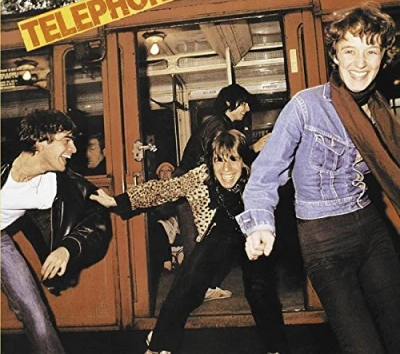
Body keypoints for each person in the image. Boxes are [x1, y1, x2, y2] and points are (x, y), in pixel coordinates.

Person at [236, 2, 400, 354]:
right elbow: (264, 174)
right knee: (364, 346)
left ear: (382, 57)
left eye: (371, 51)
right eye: (350, 50)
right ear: (335, 56)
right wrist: (260, 225)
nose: (360, 62)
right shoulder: (306, 106)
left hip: (371, 229)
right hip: (324, 242)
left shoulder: (380, 110)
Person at [91, 129, 288, 354]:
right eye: (219, 160)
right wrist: (117, 201)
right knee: (187, 283)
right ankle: (159, 346)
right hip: (219, 231)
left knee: (259, 288)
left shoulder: (258, 175)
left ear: (243, 161)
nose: (226, 169)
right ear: (211, 162)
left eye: (233, 159)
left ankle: (276, 349)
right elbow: (162, 190)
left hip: (253, 231)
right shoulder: (200, 177)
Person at [1, 109, 112, 354]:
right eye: (66, 140)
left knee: (35, 314)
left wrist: (67, 248)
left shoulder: (60, 184)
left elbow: (96, 221)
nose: (73, 149)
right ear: (41, 141)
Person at [174, 82, 270, 300]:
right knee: (197, 241)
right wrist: (254, 148)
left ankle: (202, 287)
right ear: (229, 103)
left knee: (203, 238)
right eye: (243, 103)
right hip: (192, 187)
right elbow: (218, 158)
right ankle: (194, 290)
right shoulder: (217, 125)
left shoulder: (220, 124)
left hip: (195, 187)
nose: (247, 108)